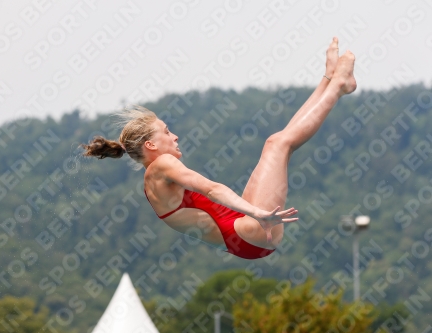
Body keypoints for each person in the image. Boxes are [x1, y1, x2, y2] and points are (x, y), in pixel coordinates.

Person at [81, 37, 356, 260]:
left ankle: (329, 80)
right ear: (150, 145)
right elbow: (211, 189)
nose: (175, 136)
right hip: (252, 231)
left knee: (279, 142)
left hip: (245, 236)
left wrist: (252, 212)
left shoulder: (152, 179)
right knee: (278, 144)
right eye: (166, 132)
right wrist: (258, 213)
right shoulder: (161, 166)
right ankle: (337, 87)